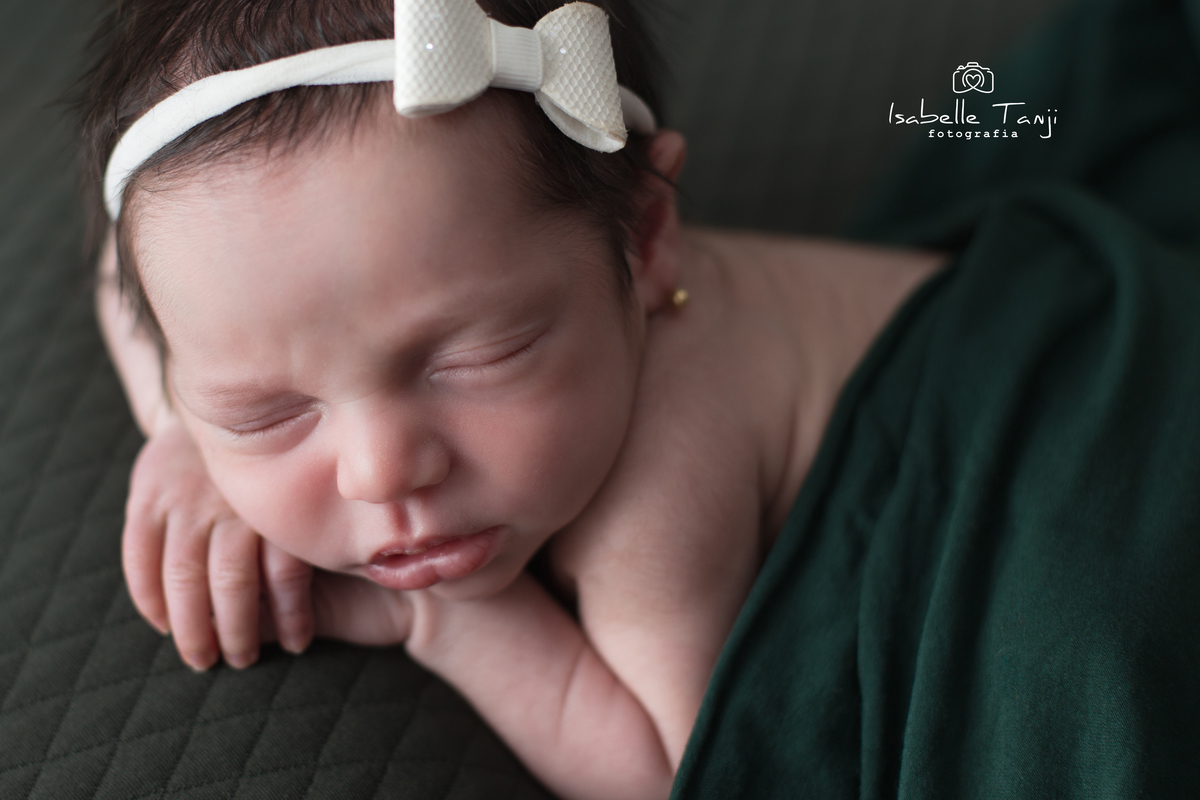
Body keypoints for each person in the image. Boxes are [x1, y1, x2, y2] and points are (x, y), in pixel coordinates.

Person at [82, 0, 1200, 797]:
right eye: (267, 410)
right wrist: (181, 431)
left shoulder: (652, 484)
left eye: (476, 356)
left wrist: (444, 618)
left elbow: (667, 765)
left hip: (1068, 421)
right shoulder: (228, 290)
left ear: (646, 235)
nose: (380, 471)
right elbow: (117, 285)